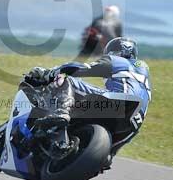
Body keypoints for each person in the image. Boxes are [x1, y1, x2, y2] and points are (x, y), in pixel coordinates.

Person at [26, 36, 150, 169]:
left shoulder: (117, 60)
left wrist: (50, 73)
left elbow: (83, 68)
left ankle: (61, 113)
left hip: (118, 102)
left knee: (68, 80)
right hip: (133, 122)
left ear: (115, 51)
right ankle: (106, 157)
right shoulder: (143, 71)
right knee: (106, 157)